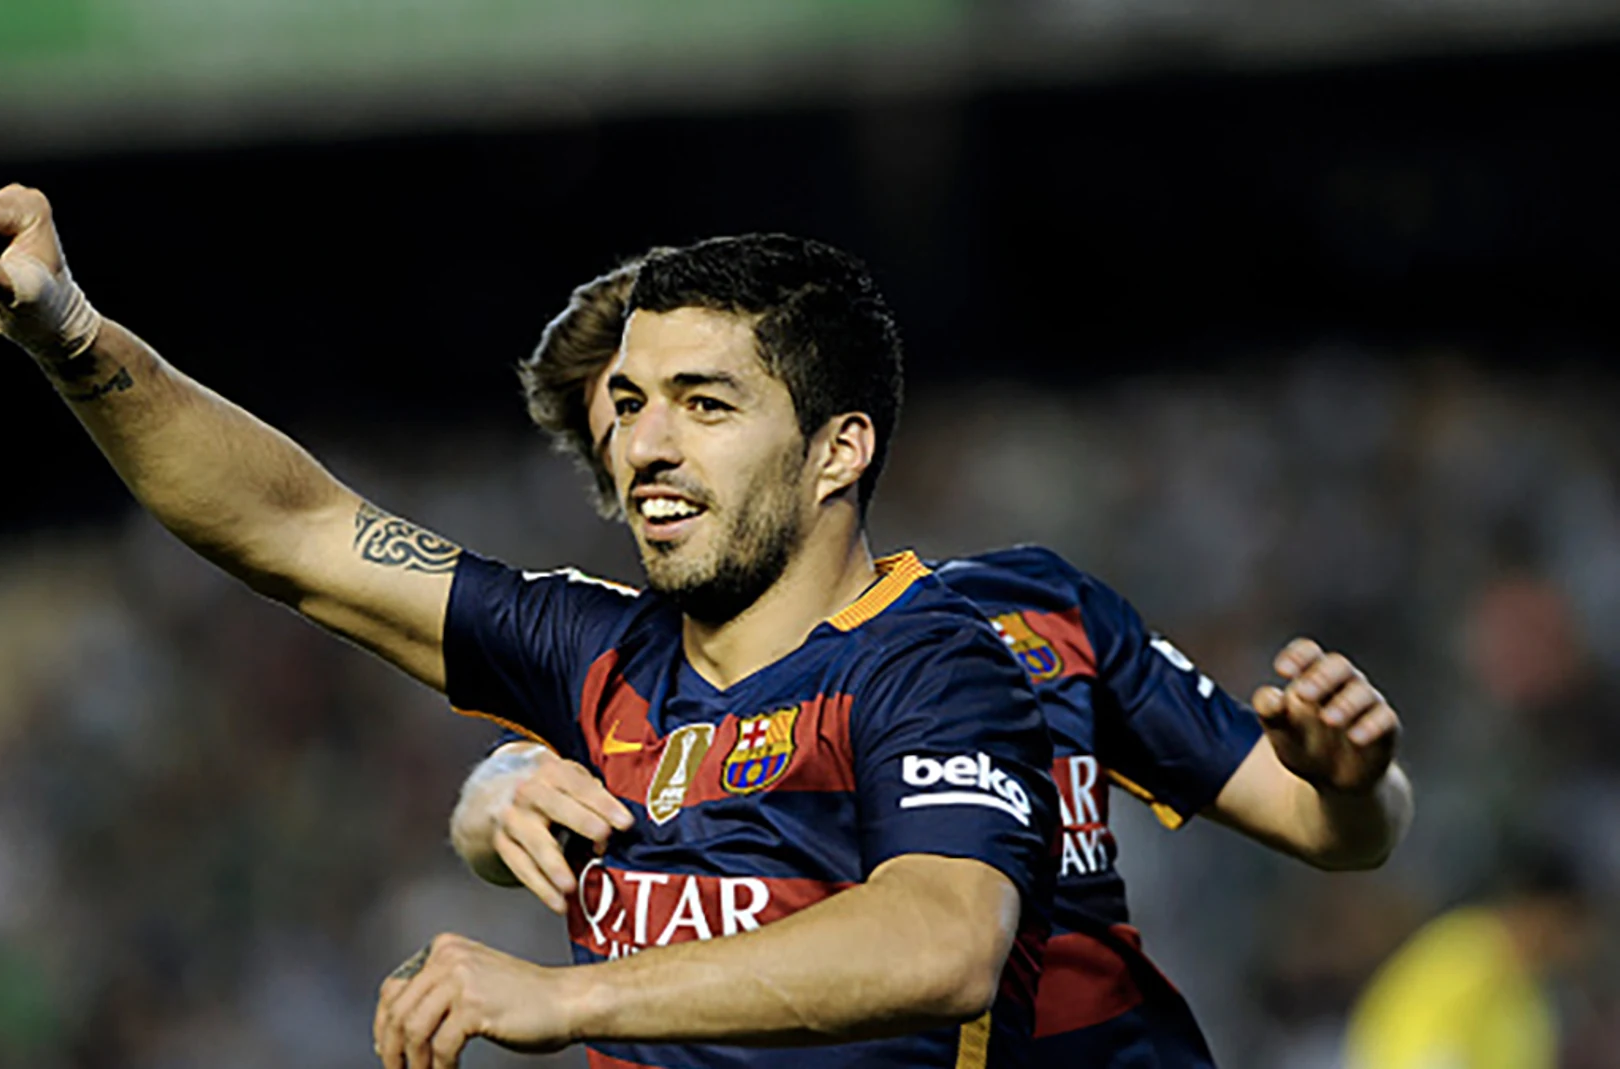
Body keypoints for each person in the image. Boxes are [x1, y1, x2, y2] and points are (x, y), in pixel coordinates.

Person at [0, 187, 1064, 1069]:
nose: (645, 447)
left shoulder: (937, 664)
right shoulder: (590, 652)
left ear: (838, 449)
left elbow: (943, 942)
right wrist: (71, 333)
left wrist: (570, 994)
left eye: (705, 404)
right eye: (629, 404)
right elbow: (296, 530)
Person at [451, 257, 1416, 1065]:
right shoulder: (623, 680)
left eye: (698, 404)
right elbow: (529, 823)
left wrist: (1353, 780)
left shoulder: (1034, 611)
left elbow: (1336, 827)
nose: (651, 451)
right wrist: (489, 797)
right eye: (619, 422)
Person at [1345, 842, 1593, 1069]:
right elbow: (1401, 1049)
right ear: (1541, 910)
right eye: (1570, 925)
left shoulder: (1532, 998)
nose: (1574, 946)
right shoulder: (1460, 958)